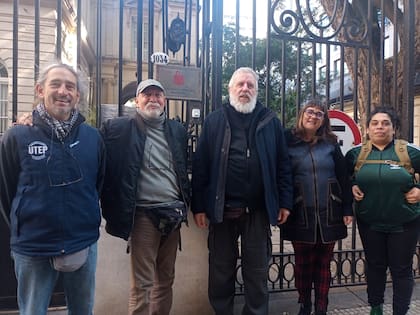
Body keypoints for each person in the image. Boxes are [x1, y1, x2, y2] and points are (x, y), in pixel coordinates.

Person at [0, 63, 105, 315]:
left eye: (70, 86)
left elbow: (96, 185)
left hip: (82, 241)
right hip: (33, 246)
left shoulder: (93, 138)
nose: (63, 91)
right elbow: (6, 191)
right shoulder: (17, 137)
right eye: (55, 84)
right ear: (40, 90)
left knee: (82, 310)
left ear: (77, 95)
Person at [191, 67, 293, 315]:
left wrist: (285, 202)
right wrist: (199, 206)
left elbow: (283, 165)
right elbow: (201, 166)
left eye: (250, 85)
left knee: (257, 272)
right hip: (221, 211)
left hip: (257, 211)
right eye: (241, 85)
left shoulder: (270, 120)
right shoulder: (215, 120)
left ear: (256, 91)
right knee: (220, 270)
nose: (245, 89)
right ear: (230, 89)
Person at [100, 78, 190, 315]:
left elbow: (184, 167)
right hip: (143, 217)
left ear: (165, 100)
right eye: (147, 95)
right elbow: (88, 143)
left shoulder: (177, 130)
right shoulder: (119, 129)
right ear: (137, 101)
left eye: (158, 95)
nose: (153, 99)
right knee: (142, 285)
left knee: (166, 281)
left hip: (173, 215)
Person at [345, 106, 420, 315]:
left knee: (401, 270)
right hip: (370, 223)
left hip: (404, 224)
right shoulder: (356, 154)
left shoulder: (409, 152)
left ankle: (400, 311)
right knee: (375, 267)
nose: (380, 127)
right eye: (375, 123)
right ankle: (375, 307)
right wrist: (352, 185)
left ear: (393, 129)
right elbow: (343, 178)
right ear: (367, 129)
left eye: (385, 123)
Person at [281, 99, 353, 315]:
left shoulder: (330, 143)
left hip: (330, 211)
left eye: (319, 114)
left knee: (323, 263)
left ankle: (322, 305)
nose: (313, 116)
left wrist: (348, 207)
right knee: (303, 264)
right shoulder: (288, 141)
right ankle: (305, 303)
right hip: (299, 211)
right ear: (302, 114)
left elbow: (343, 176)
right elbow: (281, 175)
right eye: (310, 112)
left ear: (324, 120)